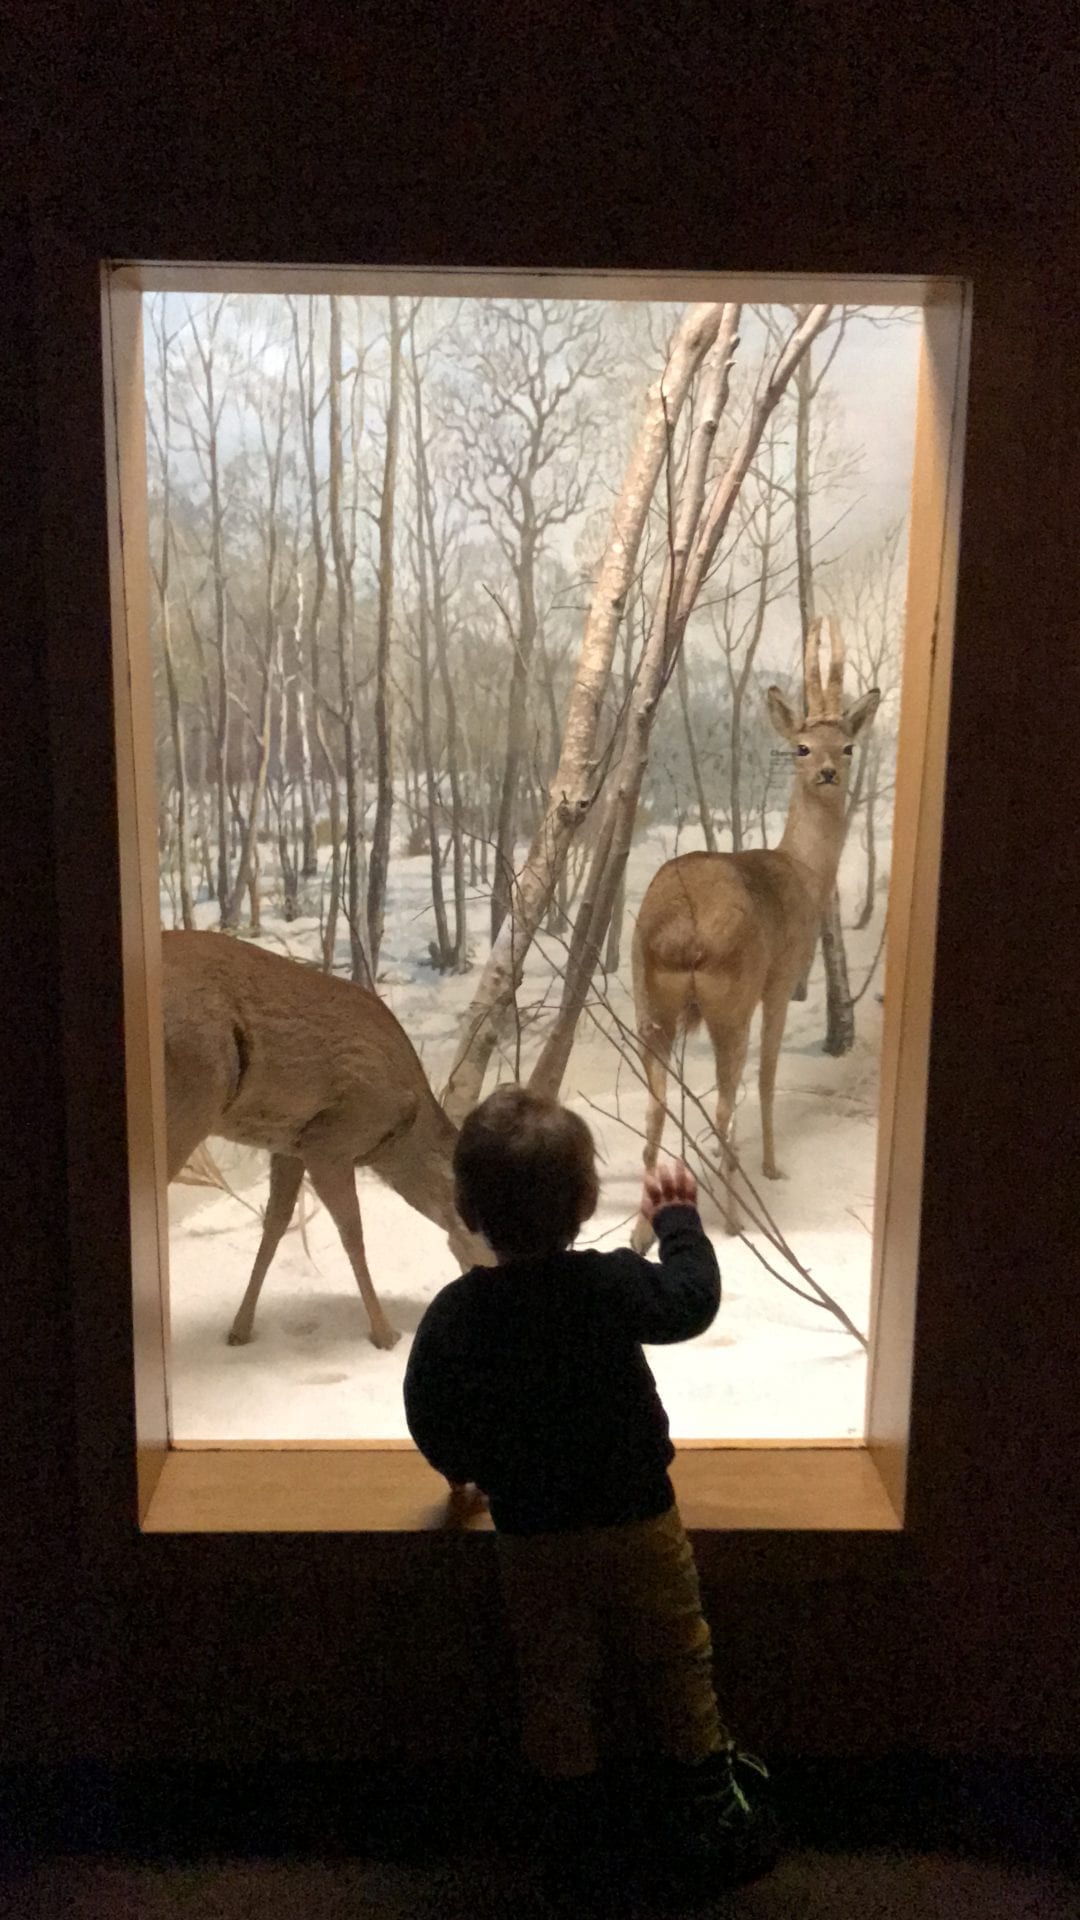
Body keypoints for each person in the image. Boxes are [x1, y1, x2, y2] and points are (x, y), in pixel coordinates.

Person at [403, 1083, 778, 1887]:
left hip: (532, 1531)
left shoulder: (459, 1312)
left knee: (554, 1674)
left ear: (466, 1209)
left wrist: (462, 1468)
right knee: (676, 1653)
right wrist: (678, 1223)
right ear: (583, 1203)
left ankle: (567, 1823)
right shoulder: (610, 1283)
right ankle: (706, 1794)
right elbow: (690, 1303)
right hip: (639, 1520)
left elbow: (427, 1408)